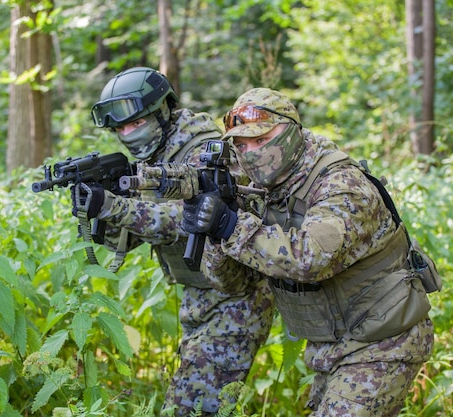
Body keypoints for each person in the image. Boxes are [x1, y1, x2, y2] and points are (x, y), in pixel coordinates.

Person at [183, 87, 435, 416]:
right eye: (242, 146)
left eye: (261, 140)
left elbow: (310, 259)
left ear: (290, 132)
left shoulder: (340, 184)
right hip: (330, 347)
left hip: (383, 342)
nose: (252, 153)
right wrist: (216, 229)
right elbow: (232, 283)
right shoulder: (266, 191)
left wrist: (233, 226)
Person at [76, 68, 274, 416]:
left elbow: (186, 221)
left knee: (189, 410)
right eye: (120, 128)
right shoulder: (153, 156)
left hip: (235, 299)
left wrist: (113, 205)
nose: (127, 133)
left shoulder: (206, 151)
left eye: (135, 123)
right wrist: (100, 208)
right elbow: (132, 236)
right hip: (200, 297)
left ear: (163, 110)